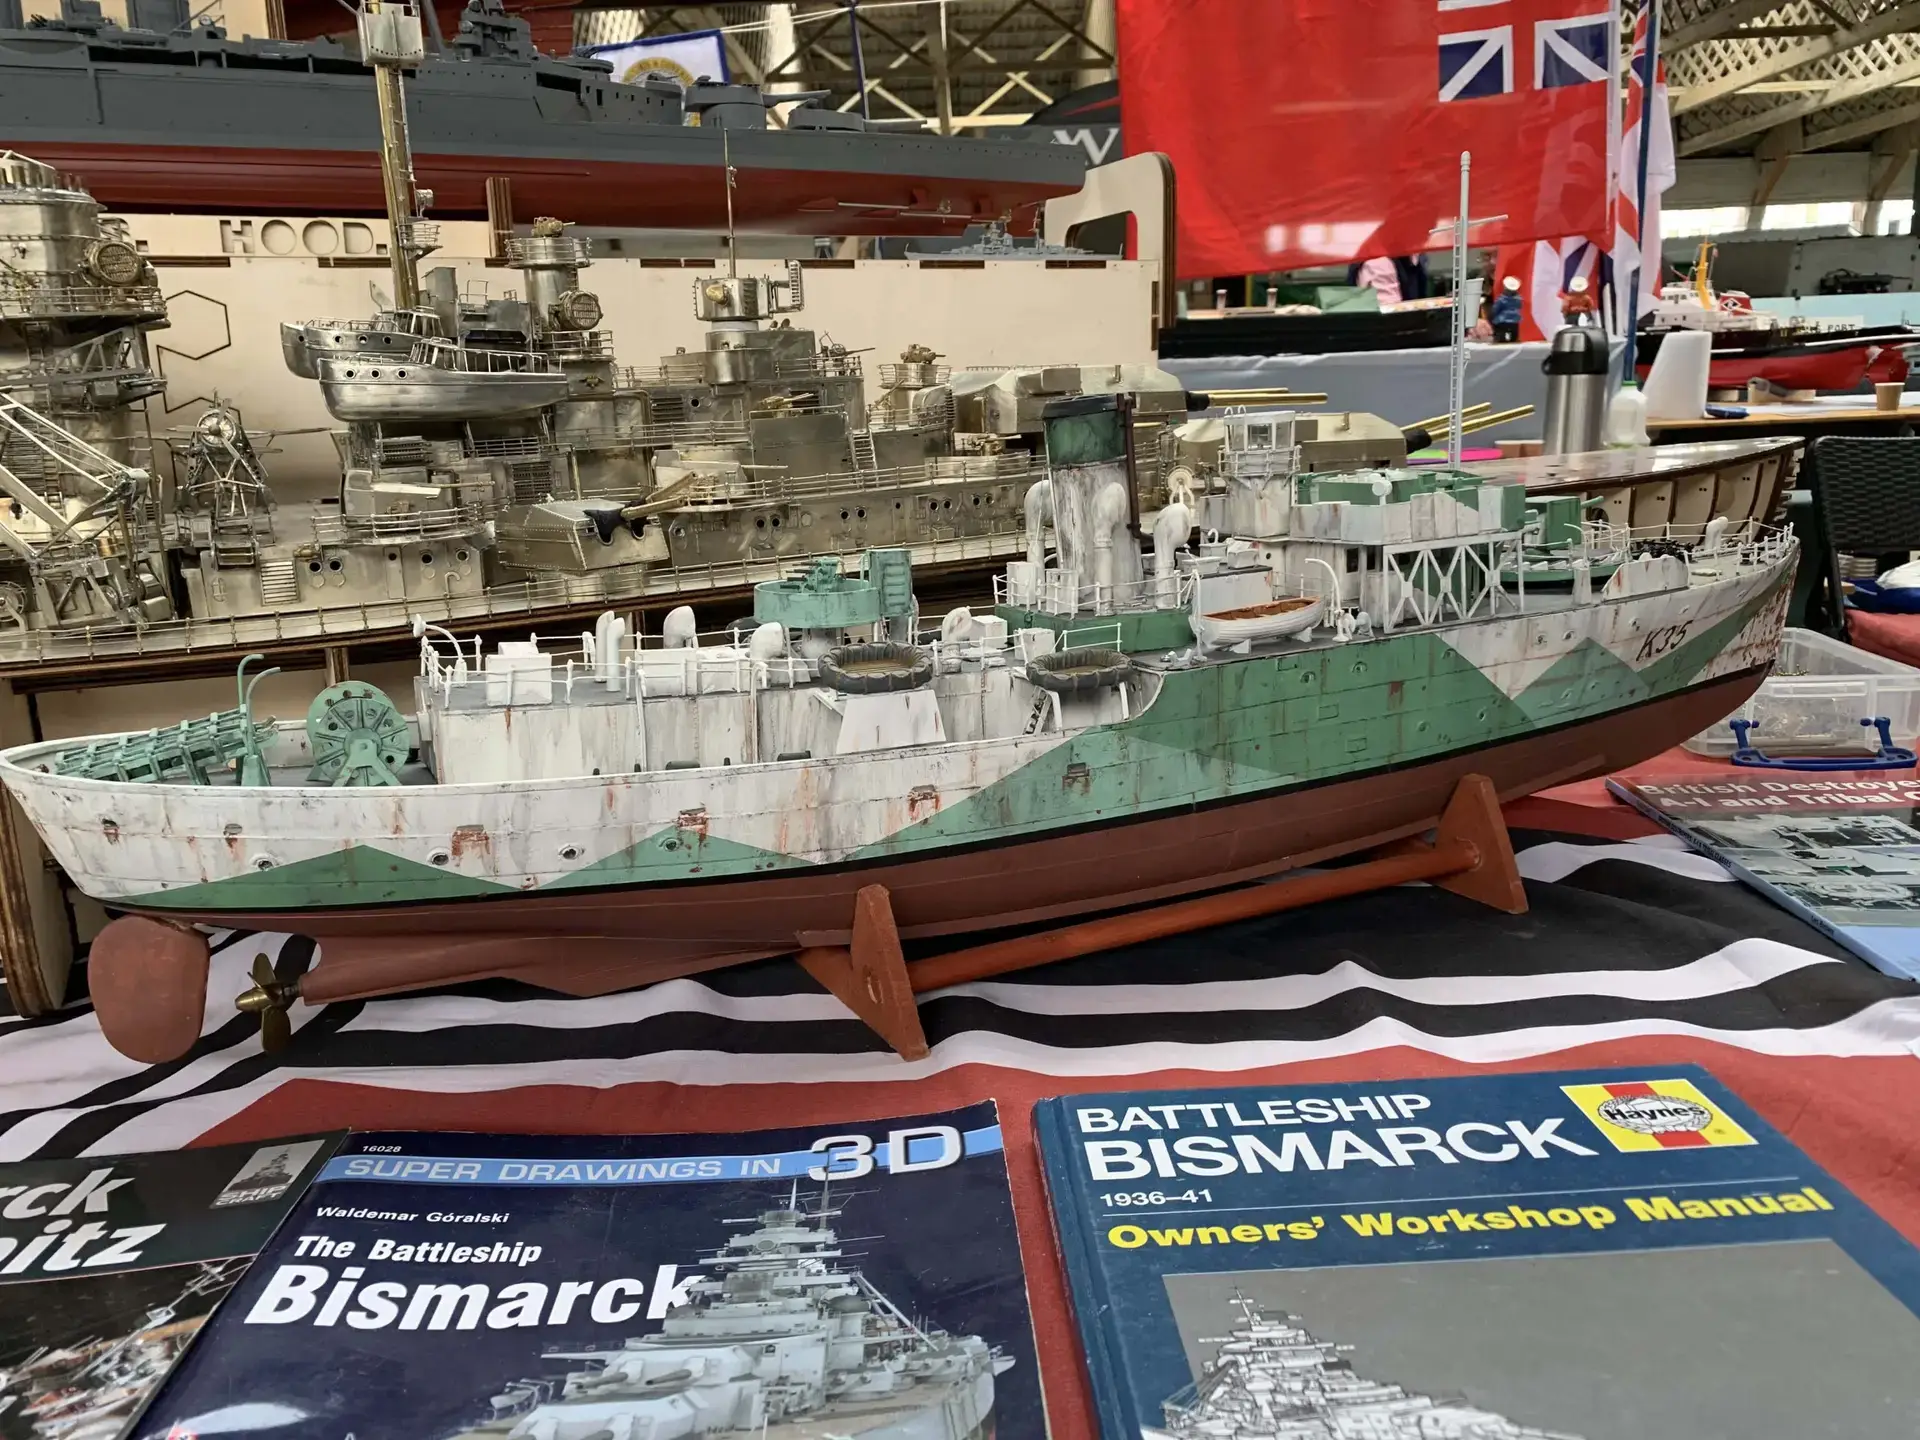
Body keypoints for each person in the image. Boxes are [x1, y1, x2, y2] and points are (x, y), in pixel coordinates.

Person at [1490, 275, 1523, 342]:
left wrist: (1492, 315)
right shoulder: (1519, 299)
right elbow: (1520, 306)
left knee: (1498, 327)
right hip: (1515, 319)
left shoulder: (1501, 299)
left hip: (1502, 319)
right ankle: (1514, 338)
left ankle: (1499, 337)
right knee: (1514, 332)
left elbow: (1496, 309)